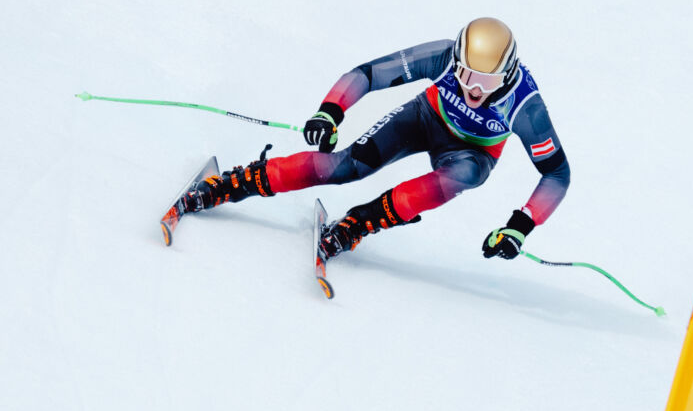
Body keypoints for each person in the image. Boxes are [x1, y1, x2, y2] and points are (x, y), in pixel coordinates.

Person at [182, 17, 570, 261]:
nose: (472, 87)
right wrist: (330, 111)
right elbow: (369, 74)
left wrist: (520, 225)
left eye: (485, 81)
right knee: (344, 167)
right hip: (425, 116)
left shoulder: (525, 108)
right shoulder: (443, 56)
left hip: (472, 151)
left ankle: (359, 224)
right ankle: (234, 184)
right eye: (465, 73)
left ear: (508, 74)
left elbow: (556, 174)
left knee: (463, 176)